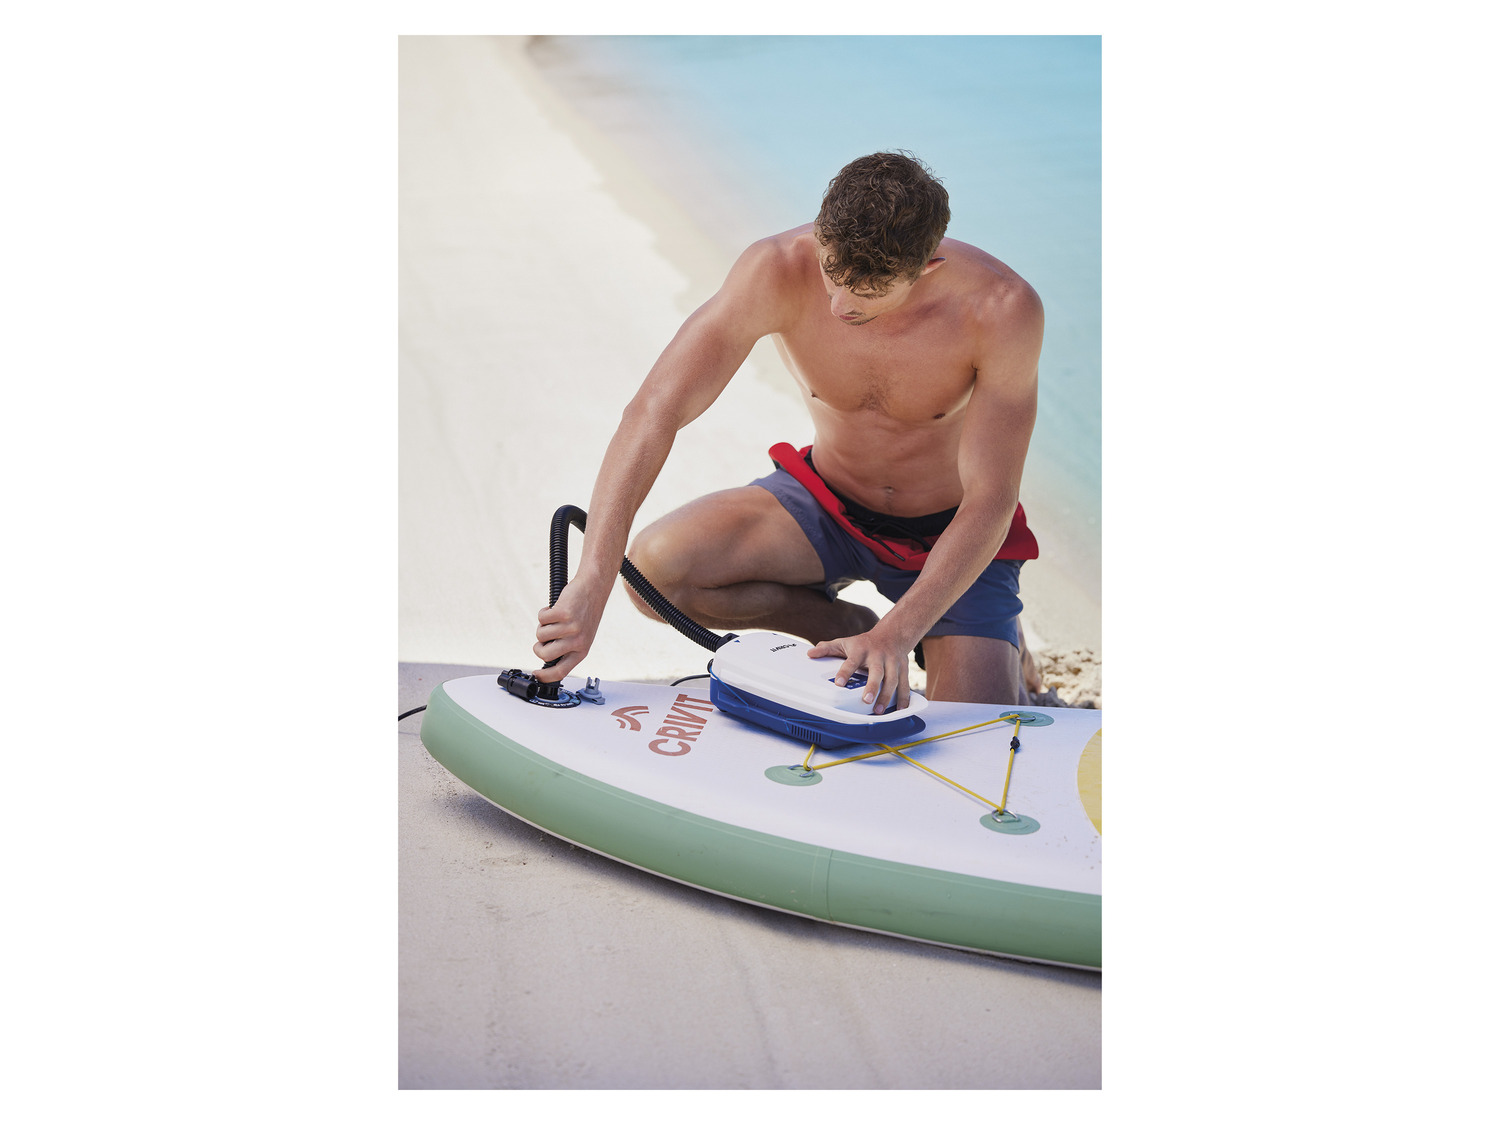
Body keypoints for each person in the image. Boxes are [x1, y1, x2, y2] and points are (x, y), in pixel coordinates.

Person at [533, 151, 1043, 711]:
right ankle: (843, 624)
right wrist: (594, 577)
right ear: (821, 235)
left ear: (928, 268)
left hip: (949, 531)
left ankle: (994, 642)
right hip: (827, 503)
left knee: (974, 730)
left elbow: (992, 498)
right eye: (831, 275)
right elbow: (654, 411)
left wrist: (898, 634)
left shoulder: (1000, 310)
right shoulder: (776, 269)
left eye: (869, 294)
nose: (839, 305)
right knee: (654, 574)